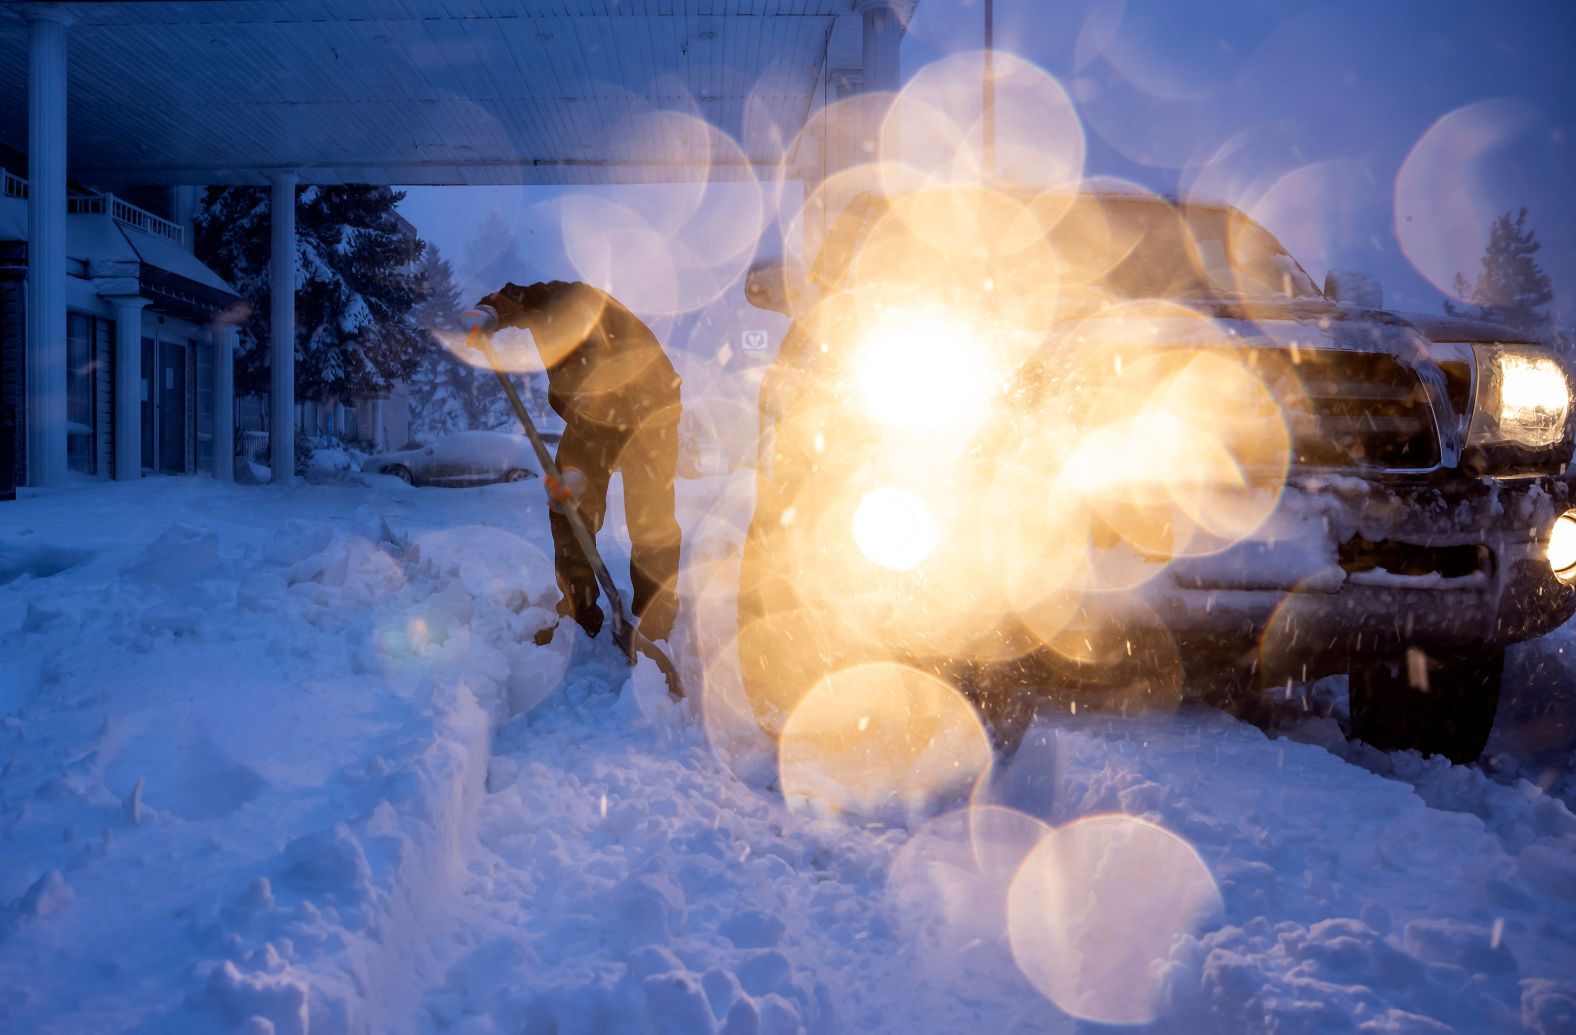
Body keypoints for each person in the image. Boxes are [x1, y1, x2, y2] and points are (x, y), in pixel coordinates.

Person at [469, 281, 683, 643]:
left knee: (651, 520)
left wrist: (582, 472)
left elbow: (617, 391)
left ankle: (657, 616)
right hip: (590, 417)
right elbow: (512, 296)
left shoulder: (590, 315)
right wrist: (485, 313)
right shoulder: (548, 299)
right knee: (567, 509)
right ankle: (579, 611)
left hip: (651, 414)